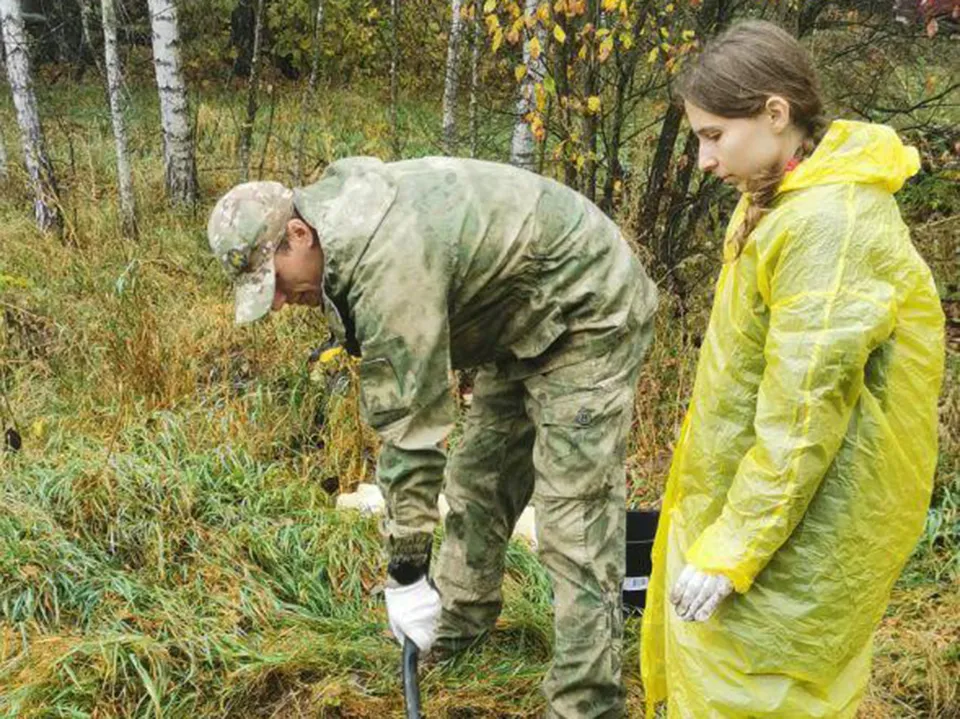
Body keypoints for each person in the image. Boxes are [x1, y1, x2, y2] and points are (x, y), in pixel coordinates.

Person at [206, 156, 658, 718]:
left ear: (298, 234)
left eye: (274, 282)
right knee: (478, 483)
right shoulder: (336, 224)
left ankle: (585, 701)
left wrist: (406, 572)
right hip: (516, 319)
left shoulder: (385, 262)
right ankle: (459, 626)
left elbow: (412, 435)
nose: (278, 302)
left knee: (574, 517)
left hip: (587, 308)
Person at [639, 20, 946, 718]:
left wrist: (733, 548)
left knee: (761, 693)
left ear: (776, 113)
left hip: (795, 533)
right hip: (752, 516)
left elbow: (803, 416)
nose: (702, 161)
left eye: (714, 135)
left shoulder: (826, 226)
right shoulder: (777, 201)